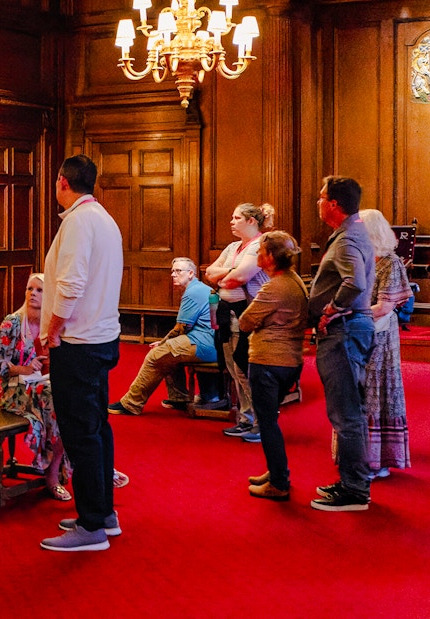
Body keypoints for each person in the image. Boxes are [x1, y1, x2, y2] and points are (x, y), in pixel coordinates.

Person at [39, 154, 123, 552]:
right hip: (102, 338)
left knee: (80, 433)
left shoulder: (77, 222)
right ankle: (103, 512)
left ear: (61, 182)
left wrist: (51, 332)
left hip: (78, 343)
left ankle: (91, 526)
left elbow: (70, 285)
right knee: (97, 427)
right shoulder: (104, 219)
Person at [308, 176, 375, 512]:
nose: (318, 202)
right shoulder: (353, 232)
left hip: (344, 331)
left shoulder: (348, 238)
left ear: (333, 203)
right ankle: (352, 482)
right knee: (351, 411)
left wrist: (332, 309)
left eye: (321, 197)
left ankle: (354, 491)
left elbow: (355, 283)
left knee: (346, 413)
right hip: (351, 329)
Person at [0, 273, 72, 501]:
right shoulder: (12, 323)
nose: (32, 293)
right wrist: (23, 369)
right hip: (14, 391)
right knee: (56, 401)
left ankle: (81, 463)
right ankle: (52, 475)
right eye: (29, 289)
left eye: (39, 290)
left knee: (67, 398)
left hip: (43, 385)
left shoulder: (52, 325)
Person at [240, 232, 308, 501]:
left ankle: (279, 482)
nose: (257, 255)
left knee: (267, 423)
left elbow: (246, 322)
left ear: (269, 257)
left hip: (269, 360)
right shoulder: (294, 280)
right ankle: (276, 470)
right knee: (271, 420)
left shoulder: (274, 286)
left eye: (260, 251)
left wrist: (259, 323)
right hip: (288, 360)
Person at [108, 257, 218, 415]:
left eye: (178, 271)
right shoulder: (198, 288)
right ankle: (179, 399)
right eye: (172, 271)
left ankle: (131, 404)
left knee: (156, 355)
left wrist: (163, 343)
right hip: (208, 341)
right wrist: (167, 342)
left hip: (205, 344)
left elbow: (182, 327)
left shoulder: (193, 292)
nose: (173, 274)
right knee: (169, 352)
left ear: (191, 273)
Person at [205, 203, 269, 442]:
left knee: (246, 371)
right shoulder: (233, 246)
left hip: (248, 315)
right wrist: (228, 272)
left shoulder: (258, 246)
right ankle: (246, 419)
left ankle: (261, 422)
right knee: (235, 370)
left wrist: (228, 274)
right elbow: (209, 272)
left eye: (236, 217)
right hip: (226, 315)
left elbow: (240, 278)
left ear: (252, 221)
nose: (231, 222)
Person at [360, 209, 412, 479]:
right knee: (360, 390)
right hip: (360, 330)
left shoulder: (390, 262)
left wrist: (352, 314)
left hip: (379, 334)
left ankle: (378, 459)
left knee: (377, 389)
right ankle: (359, 455)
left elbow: (385, 306)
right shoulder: (364, 257)